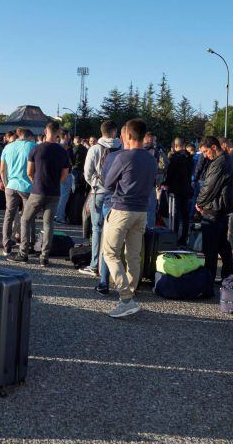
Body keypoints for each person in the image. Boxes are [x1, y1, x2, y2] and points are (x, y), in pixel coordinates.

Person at [100, 118, 157, 318]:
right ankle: (130, 293)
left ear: (129, 136)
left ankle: (125, 298)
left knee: (110, 253)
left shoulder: (124, 158)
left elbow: (107, 183)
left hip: (122, 209)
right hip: (141, 211)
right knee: (133, 255)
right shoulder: (151, 158)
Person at [7, 121, 69, 267]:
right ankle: (44, 257)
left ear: (46, 131)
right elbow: (64, 176)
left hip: (38, 191)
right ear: (58, 132)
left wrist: (37, 182)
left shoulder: (36, 149)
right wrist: (55, 183)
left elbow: (29, 172)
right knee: (48, 224)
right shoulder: (63, 152)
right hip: (54, 192)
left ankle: (23, 253)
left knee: (25, 219)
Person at [81, 120, 121, 277]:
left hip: (98, 191)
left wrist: (93, 185)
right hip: (116, 193)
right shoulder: (121, 148)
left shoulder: (94, 149)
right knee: (112, 230)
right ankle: (111, 265)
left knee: (96, 229)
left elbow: (87, 172)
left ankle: (95, 264)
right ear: (114, 131)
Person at [196, 136, 233, 282]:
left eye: (206, 151)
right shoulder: (229, 159)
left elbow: (209, 187)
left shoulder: (219, 162)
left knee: (210, 248)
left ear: (214, 147)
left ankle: (208, 280)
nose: (205, 155)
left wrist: (200, 203)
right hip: (223, 208)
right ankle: (227, 276)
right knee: (222, 244)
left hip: (214, 209)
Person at [0, 128, 36, 255]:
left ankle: (6, 245)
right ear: (30, 137)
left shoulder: (7, 147)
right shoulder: (33, 146)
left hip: (10, 185)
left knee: (8, 216)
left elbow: (2, 170)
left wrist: (5, 184)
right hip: (27, 186)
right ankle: (28, 245)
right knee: (28, 218)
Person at [163, 137, 194, 245]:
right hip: (186, 189)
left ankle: (174, 237)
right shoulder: (189, 157)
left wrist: (165, 183)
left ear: (175, 146)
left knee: (175, 215)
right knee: (185, 215)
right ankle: (184, 238)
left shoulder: (175, 158)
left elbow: (170, 174)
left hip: (175, 189)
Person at [54, 130, 74, 224]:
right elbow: (70, 162)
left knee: (59, 196)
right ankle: (60, 216)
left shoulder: (57, 146)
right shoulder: (67, 147)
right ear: (65, 136)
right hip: (66, 173)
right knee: (64, 197)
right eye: (69, 134)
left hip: (57, 174)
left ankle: (56, 215)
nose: (70, 136)